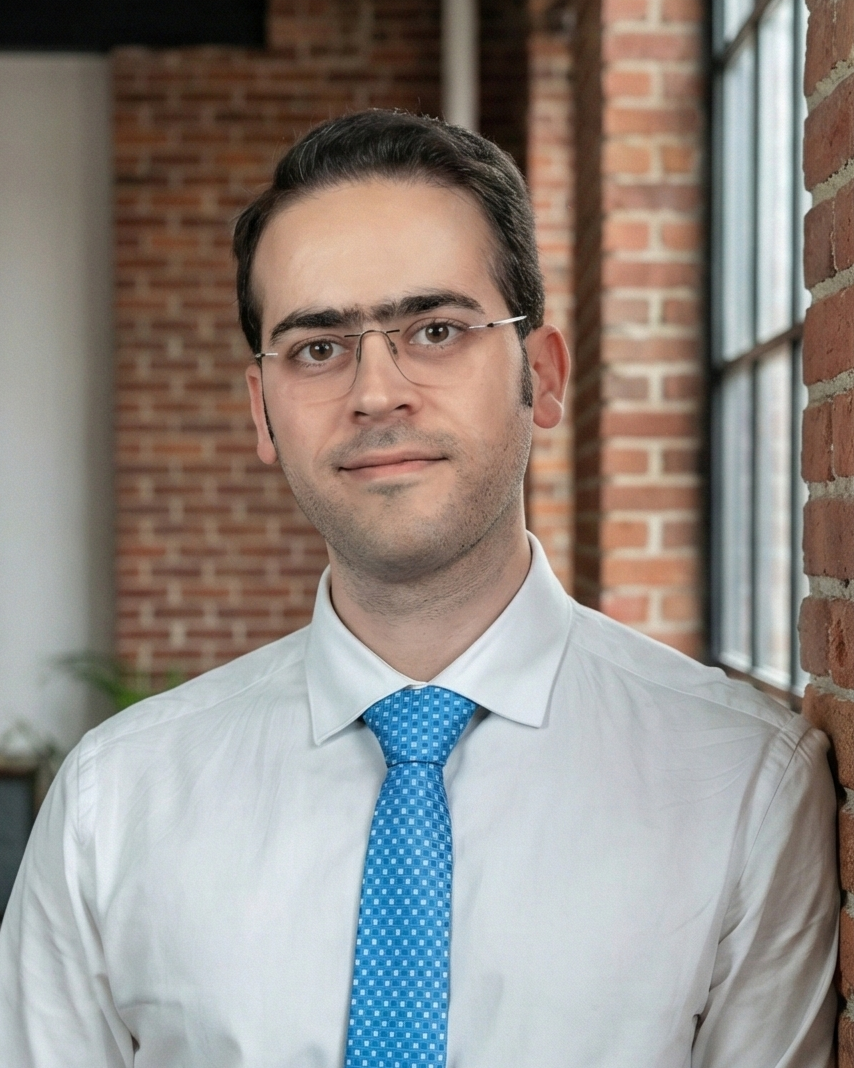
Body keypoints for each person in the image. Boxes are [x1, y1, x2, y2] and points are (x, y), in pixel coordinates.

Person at [0, 110, 838, 1067]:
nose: (376, 391)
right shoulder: (114, 805)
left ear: (544, 376)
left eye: (435, 330)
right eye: (318, 348)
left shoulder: (744, 788)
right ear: (262, 412)